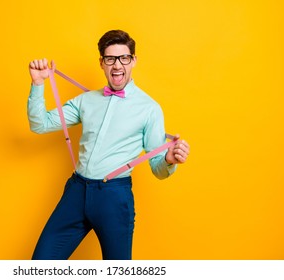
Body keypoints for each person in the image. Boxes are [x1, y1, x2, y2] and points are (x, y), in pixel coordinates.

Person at [27, 30, 190, 260]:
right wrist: (37, 84)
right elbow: (40, 124)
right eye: (110, 58)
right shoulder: (85, 100)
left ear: (133, 60)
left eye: (124, 58)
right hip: (76, 191)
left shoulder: (150, 109)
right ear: (102, 63)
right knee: (40, 265)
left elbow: (157, 168)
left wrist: (169, 160)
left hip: (114, 198)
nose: (117, 65)